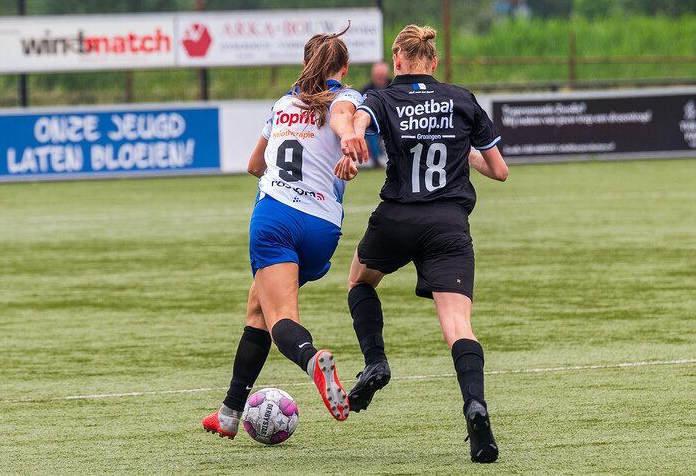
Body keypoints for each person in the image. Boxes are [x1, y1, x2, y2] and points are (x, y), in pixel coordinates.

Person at [339, 24, 508, 463]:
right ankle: (475, 405)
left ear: (397, 61)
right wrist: (464, 152)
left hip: (397, 216)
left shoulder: (382, 96)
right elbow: (500, 170)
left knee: (360, 281)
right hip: (448, 223)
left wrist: (354, 132)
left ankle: (375, 361)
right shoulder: (461, 98)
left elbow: (360, 118)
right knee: (457, 325)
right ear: (433, 62)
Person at [202, 26, 365, 438]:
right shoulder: (348, 97)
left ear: (304, 64)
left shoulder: (282, 103)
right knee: (257, 307)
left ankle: (313, 360)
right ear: (343, 69)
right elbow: (346, 121)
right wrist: (347, 144)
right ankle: (229, 412)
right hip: (323, 226)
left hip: (275, 218)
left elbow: (254, 165)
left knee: (279, 320)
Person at [360, 62, 392, 168]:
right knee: (371, 130)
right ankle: (376, 159)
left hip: (392, 122)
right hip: (374, 123)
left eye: (382, 76)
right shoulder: (366, 90)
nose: (379, 78)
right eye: (377, 76)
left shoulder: (394, 88)